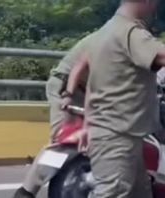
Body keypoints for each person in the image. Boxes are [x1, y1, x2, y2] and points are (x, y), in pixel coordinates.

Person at [79, 0, 165, 197]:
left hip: (117, 134)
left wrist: (87, 126)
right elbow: (161, 56)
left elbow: (94, 86)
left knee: (140, 193)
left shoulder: (102, 34)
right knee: (112, 193)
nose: (155, 9)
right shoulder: (130, 32)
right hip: (118, 136)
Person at [13, 32, 96, 198]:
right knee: (64, 142)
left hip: (82, 89)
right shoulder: (115, 41)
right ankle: (26, 192)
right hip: (66, 88)